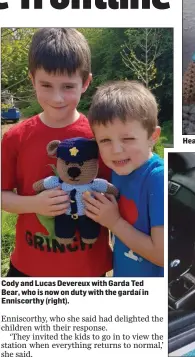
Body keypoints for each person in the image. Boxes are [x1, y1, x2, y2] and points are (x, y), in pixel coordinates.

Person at [1, 28, 111, 277]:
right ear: (32, 80)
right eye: (46, 85)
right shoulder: (14, 138)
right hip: (28, 269)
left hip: (86, 271)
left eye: (68, 86)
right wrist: (34, 203)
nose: (57, 97)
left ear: (86, 83)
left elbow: (116, 192)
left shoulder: (101, 135)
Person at [84, 81, 164, 277]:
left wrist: (114, 222)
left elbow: (162, 254)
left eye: (127, 139)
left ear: (153, 136)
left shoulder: (158, 179)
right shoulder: (117, 170)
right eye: (105, 140)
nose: (117, 150)